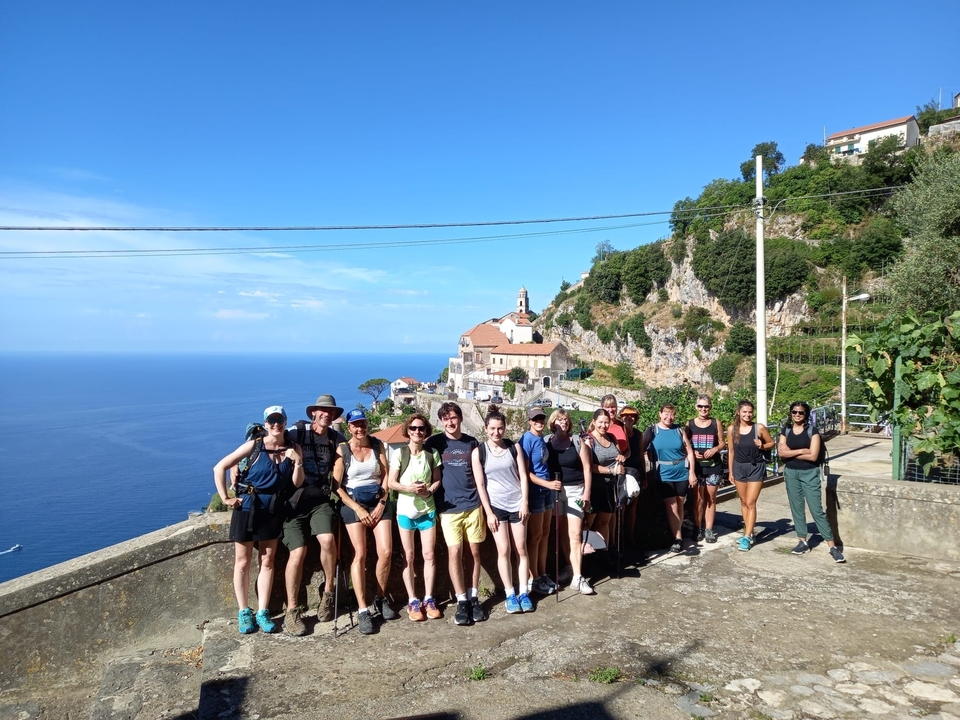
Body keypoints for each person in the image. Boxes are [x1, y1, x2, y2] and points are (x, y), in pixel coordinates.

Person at [213, 406, 303, 634]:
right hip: (247, 508)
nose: (276, 424)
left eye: (279, 420)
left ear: (285, 421)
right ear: (265, 424)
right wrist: (225, 498)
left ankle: (262, 611)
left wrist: (298, 462)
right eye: (271, 421)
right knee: (242, 562)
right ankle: (244, 611)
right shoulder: (255, 446)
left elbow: (297, 482)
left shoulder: (294, 448)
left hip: (272, 509)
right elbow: (219, 467)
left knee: (268, 561)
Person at [281, 394, 344, 636]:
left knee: (327, 540)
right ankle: (293, 610)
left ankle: (329, 592)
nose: (326, 415)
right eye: (322, 411)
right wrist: (237, 466)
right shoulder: (297, 432)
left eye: (330, 412)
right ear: (313, 413)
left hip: (320, 500)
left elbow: (358, 449)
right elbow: (266, 441)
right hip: (294, 502)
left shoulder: (336, 439)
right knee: (298, 553)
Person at [425, 402, 491, 626]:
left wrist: (486, 508)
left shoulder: (471, 442)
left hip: (473, 505)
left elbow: (479, 475)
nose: (450, 422)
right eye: (445, 419)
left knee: (474, 553)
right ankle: (461, 600)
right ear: (441, 421)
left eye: (453, 418)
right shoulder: (434, 442)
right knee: (454, 553)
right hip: (448, 508)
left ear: (460, 419)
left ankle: (474, 598)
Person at [334, 409, 393, 635]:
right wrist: (357, 508)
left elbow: (386, 474)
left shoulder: (378, 445)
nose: (360, 428)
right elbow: (336, 485)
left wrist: (382, 502)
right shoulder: (343, 450)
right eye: (355, 425)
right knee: (360, 554)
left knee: (386, 552)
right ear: (349, 427)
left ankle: (380, 598)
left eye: (363, 424)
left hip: (378, 501)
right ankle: (362, 609)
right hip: (353, 504)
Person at [474, 405, 535, 613]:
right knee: (504, 550)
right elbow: (480, 485)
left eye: (500, 428)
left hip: (517, 503)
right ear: (486, 428)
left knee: (521, 548)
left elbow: (523, 476)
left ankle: (524, 591)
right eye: (492, 428)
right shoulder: (479, 452)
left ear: (505, 428)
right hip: (497, 506)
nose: (496, 432)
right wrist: (489, 512)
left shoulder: (514, 447)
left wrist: (525, 501)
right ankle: (510, 593)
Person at [386, 412, 445, 621]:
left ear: (426, 431)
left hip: (427, 509)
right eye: (413, 428)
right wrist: (410, 489)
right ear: (407, 431)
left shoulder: (432, 453)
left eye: (421, 428)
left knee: (429, 555)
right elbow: (391, 482)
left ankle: (429, 598)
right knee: (408, 557)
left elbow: (438, 479)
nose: (417, 432)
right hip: (405, 511)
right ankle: (413, 601)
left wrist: (429, 490)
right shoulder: (400, 454)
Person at [777, 401, 845, 563]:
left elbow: (813, 456)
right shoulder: (785, 430)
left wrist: (791, 453)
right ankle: (802, 541)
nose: (797, 415)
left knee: (816, 509)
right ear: (791, 413)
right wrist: (802, 451)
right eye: (794, 412)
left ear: (806, 414)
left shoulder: (812, 431)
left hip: (810, 473)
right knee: (797, 508)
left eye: (800, 412)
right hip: (791, 472)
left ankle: (832, 546)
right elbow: (781, 454)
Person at [545, 408, 595, 595]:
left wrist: (587, 495)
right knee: (561, 533)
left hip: (575, 490)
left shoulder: (577, 441)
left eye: (566, 419)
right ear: (553, 423)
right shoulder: (546, 443)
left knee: (575, 534)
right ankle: (569, 566)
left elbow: (587, 469)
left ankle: (578, 577)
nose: (564, 422)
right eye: (559, 419)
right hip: (555, 492)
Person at [641, 404, 696, 553]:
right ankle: (677, 538)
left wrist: (692, 473)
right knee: (671, 507)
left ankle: (678, 533)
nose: (669, 417)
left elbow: (689, 452)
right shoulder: (652, 430)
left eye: (671, 414)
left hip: (681, 472)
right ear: (660, 414)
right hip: (663, 474)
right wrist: (643, 474)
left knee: (680, 504)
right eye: (666, 414)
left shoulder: (679, 430)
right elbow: (641, 450)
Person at [519, 407, 559, 596]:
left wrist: (549, 485)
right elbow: (525, 473)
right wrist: (547, 484)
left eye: (542, 418)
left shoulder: (541, 440)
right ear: (529, 421)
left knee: (544, 534)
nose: (539, 422)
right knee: (534, 537)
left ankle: (542, 573)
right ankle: (532, 578)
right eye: (535, 419)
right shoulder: (526, 440)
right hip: (536, 491)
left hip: (546, 491)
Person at [727, 400, 775, 552]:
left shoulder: (758, 428)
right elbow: (731, 451)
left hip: (755, 466)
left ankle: (747, 537)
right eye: (744, 412)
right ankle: (750, 531)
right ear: (738, 412)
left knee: (751, 501)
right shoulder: (731, 430)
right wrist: (731, 471)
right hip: (739, 467)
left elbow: (772, 443)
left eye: (750, 412)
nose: (747, 414)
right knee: (743, 501)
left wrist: (762, 445)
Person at [585, 408, 623, 567]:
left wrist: (620, 459)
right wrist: (611, 470)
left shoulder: (612, 437)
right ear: (594, 422)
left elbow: (618, 455)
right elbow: (588, 466)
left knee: (604, 522)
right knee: (587, 523)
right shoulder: (588, 439)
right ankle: (586, 557)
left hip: (609, 486)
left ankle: (603, 553)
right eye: (600, 422)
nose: (603, 425)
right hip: (594, 487)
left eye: (606, 422)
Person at [686, 395, 725, 545]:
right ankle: (697, 527)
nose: (703, 409)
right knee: (697, 500)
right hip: (697, 468)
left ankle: (708, 529)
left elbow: (722, 443)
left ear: (710, 407)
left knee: (711, 498)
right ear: (696, 407)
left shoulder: (716, 423)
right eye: (700, 406)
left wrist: (715, 449)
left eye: (706, 406)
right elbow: (685, 444)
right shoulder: (689, 424)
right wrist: (692, 452)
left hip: (713, 467)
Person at [619, 406, 645, 549]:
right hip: (622, 471)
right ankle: (621, 538)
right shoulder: (618, 433)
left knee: (633, 507)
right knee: (622, 506)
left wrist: (644, 475)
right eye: (625, 415)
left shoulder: (638, 434)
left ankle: (630, 537)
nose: (628, 418)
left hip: (635, 471)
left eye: (632, 416)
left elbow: (641, 455)